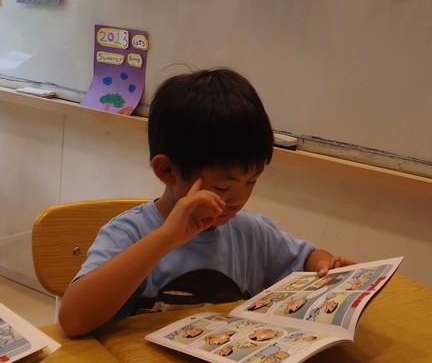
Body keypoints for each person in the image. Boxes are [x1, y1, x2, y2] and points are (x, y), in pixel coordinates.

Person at [59, 68, 356, 337]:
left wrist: (326, 266)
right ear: (167, 171)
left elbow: (308, 257)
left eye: (251, 181)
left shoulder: (251, 234)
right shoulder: (129, 234)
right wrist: (166, 238)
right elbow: (73, 320)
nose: (238, 199)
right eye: (222, 187)